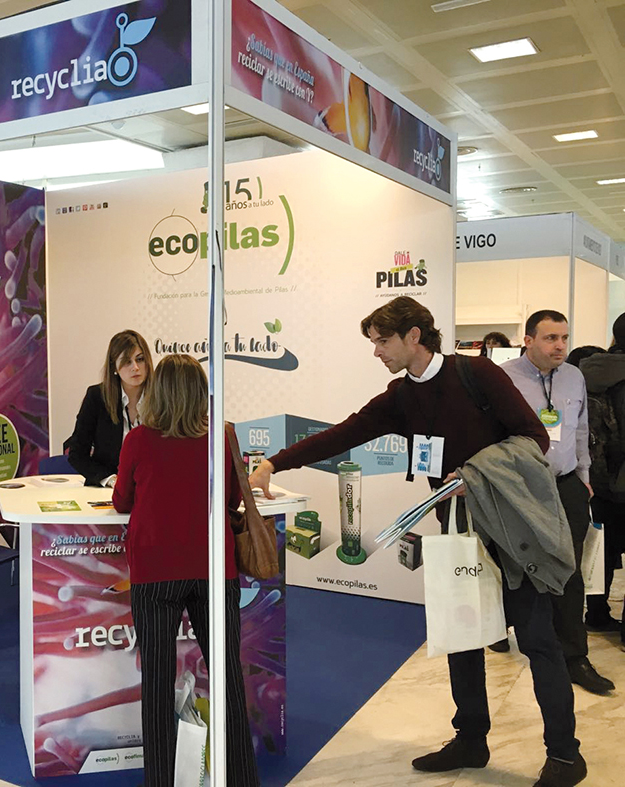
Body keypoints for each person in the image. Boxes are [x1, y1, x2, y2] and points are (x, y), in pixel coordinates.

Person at [248, 296, 586, 787]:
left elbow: (532, 436)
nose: (377, 351)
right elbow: (343, 434)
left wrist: (477, 474)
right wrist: (274, 463)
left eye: (382, 341)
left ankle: (566, 756)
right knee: (462, 638)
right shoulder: (401, 397)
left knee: (538, 640)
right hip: (457, 531)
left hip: (511, 531)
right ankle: (470, 739)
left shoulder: (477, 375)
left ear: (413, 336)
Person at [112, 355, 259, 787]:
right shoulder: (221, 440)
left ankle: (160, 780)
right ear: (201, 395)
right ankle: (242, 779)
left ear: (157, 392)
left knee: (158, 687)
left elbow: (122, 501)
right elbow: (232, 500)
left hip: (155, 571)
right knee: (227, 678)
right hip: (213, 568)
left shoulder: (138, 440)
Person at [500, 312, 614, 694]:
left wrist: (584, 476)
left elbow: (580, 429)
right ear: (528, 340)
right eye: (551, 338)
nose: (560, 346)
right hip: (521, 486)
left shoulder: (574, 376)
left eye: (564, 337)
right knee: (517, 566)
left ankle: (574, 656)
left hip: (566, 484)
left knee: (570, 569)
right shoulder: (504, 378)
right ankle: (503, 628)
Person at [579, 314, 625, 649]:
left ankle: (595, 613)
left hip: (594, 478)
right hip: (621, 477)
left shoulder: (587, 371)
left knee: (601, 549)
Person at [66, 330, 153, 486]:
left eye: (140, 359)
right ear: (114, 367)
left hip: (151, 487)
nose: (135, 367)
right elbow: (77, 454)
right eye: (126, 361)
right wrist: (109, 479)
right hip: (107, 490)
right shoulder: (97, 397)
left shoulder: (161, 397)